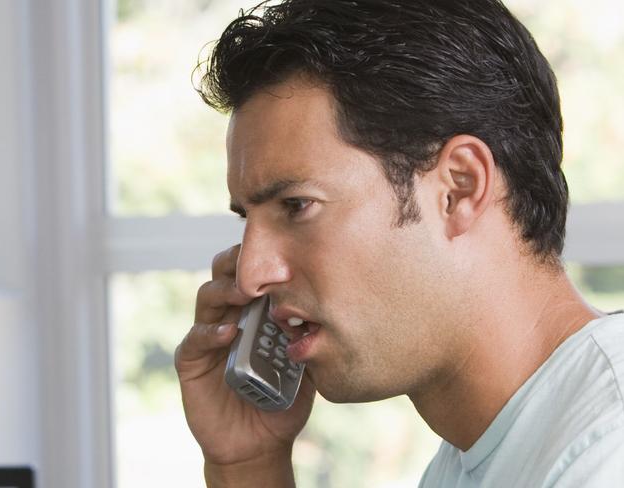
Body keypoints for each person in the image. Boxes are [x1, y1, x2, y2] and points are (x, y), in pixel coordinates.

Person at [174, 0, 624, 486]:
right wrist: (248, 465)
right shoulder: (475, 457)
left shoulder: (603, 454)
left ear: (458, 189)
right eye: (248, 219)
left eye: (296, 205)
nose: (251, 272)